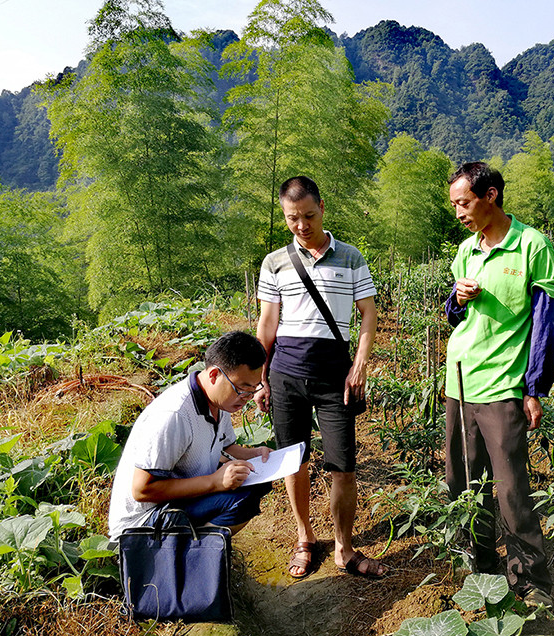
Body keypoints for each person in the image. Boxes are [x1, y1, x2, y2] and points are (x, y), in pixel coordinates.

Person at [443, 162, 554, 609]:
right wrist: (457, 298)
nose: (458, 212)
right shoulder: (466, 251)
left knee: (511, 488)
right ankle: (479, 567)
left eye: (464, 202)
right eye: (454, 203)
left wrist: (535, 388)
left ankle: (530, 581)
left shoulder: (531, 246)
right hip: (458, 380)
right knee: (464, 481)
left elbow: (546, 324)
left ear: (490, 195)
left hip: (502, 385)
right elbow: (454, 316)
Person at [255, 175, 386, 579]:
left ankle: (344, 548)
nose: (301, 225)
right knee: (293, 462)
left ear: (322, 208)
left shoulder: (351, 257)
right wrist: (262, 379)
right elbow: (267, 325)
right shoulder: (275, 262)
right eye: (293, 218)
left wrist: (360, 363)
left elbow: (367, 313)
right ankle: (305, 536)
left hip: (335, 375)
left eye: (308, 216)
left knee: (343, 465)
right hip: (286, 374)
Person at [108, 330, 273, 541]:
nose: (248, 398)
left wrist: (258, 454)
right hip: (144, 521)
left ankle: (200, 548)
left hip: (181, 497)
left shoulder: (219, 402)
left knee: (258, 483)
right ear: (214, 375)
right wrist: (215, 482)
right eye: (242, 389)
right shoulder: (174, 415)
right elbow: (141, 490)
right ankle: (194, 556)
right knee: (242, 500)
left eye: (253, 389)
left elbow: (228, 447)